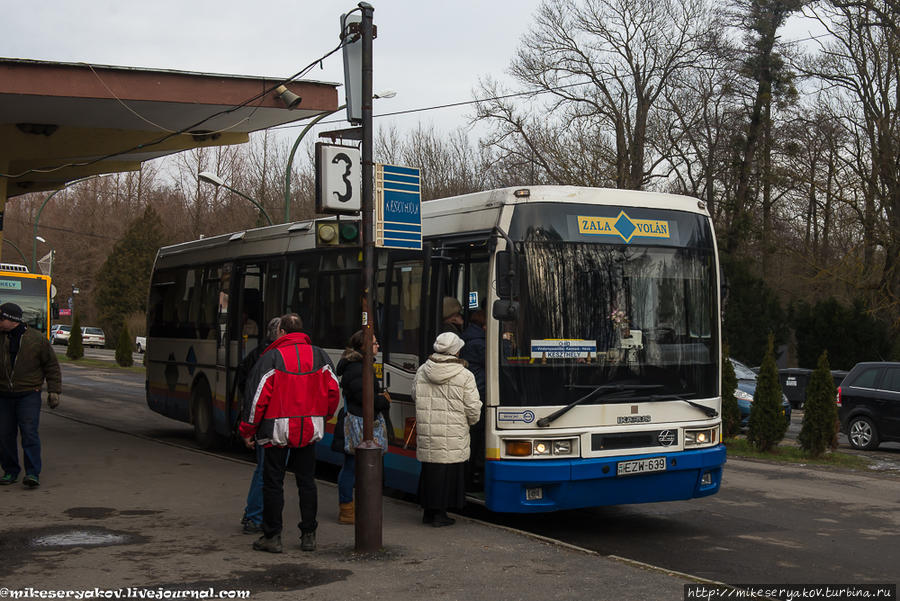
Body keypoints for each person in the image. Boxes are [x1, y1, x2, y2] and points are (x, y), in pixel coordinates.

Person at [239, 313, 340, 553]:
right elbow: (334, 390)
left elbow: (256, 399)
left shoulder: (271, 357)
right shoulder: (320, 355)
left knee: (273, 482)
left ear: (282, 332)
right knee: (307, 481)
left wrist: (247, 430)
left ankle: (272, 536)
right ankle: (308, 535)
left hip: (276, 428)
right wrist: (322, 416)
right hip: (310, 426)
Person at [413, 331, 481, 527]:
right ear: (456, 351)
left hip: (428, 431)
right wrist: (473, 421)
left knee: (431, 470)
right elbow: (472, 407)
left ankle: (428, 512)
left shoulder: (422, 370)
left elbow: (415, 395)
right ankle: (440, 515)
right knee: (448, 473)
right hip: (453, 431)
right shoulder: (465, 375)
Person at [0, 303, 62, 488]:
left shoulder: (36, 340)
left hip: (29, 394)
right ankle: (10, 471)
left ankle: (32, 473)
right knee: (4, 435)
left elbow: (51, 366)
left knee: (29, 433)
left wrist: (54, 391)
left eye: (1, 318)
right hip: (3, 394)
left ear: (13, 320)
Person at [334, 330, 391, 525]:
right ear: (363, 347)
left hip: (358, 419)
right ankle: (347, 510)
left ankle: (350, 507)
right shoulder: (358, 368)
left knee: (352, 465)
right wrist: (382, 401)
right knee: (351, 466)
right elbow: (366, 399)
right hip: (359, 422)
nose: (378, 346)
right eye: (374, 343)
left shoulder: (356, 365)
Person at [237, 316, 281, 534]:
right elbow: (255, 394)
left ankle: (253, 513)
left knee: (264, 470)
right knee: (266, 471)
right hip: (268, 421)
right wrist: (249, 427)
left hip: (264, 421)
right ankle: (254, 516)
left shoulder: (259, 354)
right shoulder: (268, 357)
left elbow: (244, 386)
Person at [459, 309, 486, 488]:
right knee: (477, 436)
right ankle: (473, 476)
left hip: (477, 391)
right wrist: (506, 342)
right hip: (480, 392)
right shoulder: (478, 343)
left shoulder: (469, 338)